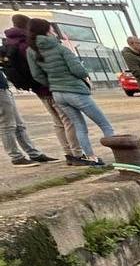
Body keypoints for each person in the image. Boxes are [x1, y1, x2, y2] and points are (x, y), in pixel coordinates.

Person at [26, 18, 112, 165]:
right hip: (76, 91)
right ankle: (122, 153)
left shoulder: (31, 51)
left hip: (58, 93)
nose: (54, 31)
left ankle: (91, 158)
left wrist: (53, 83)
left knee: (79, 126)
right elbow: (78, 71)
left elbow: (37, 75)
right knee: (104, 124)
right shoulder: (60, 48)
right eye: (51, 29)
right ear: (46, 31)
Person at [3, 14, 85, 164]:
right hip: (50, 87)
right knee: (68, 120)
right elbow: (40, 69)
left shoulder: (11, 43)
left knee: (58, 122)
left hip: (37, 89)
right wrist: (51, 83)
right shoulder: (28, 45)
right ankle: (77, 154)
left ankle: (67, 154)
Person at [0, 68, 52, 167]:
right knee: (7, 125)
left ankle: (33, 153)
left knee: (19, 125)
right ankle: (16, 157)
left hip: (4, 88)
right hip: (1, 90)